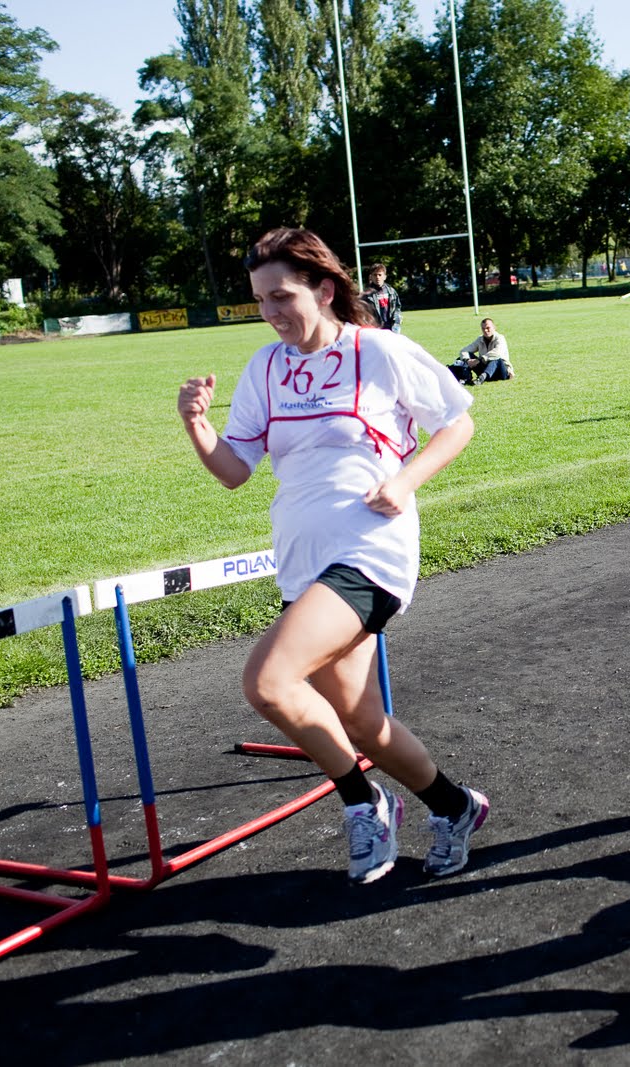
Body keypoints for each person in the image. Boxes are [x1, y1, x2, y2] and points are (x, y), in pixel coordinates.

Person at [177, 227, 488, 885]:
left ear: (322, 290)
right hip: (304, 561)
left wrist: (404, 481)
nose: (270, 312)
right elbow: (235, 470)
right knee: (362, 722)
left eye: (282, 296)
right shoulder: (266, 367)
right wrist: (197, 426)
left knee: (268, 681)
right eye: (260, 300)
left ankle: (361, 801)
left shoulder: (379, 350)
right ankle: (455, 807)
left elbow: (457, 422)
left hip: (370, 552)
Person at [450, 318, 514, 385]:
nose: (485, 330)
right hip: (484, 370)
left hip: (501, 373)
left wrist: (479, 360)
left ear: (494, 328)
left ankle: (481, 378)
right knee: (466, 356)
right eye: (483, 328)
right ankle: (465, 377)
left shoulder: (500, 338)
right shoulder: (480, 339)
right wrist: (467, 360)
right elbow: (464, 350)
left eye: (488, 328)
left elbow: (497, 352)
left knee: (496, 359)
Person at [361, 263, 402, 332]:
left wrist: (396, 323)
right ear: (370, 277)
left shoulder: (391, 292)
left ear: (385, 277)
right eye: (375, 275)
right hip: (375, 329)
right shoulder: (366, 294)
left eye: (380, 275)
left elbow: (397, 308)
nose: (377, 277)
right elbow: (362, 313)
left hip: (390, 328)